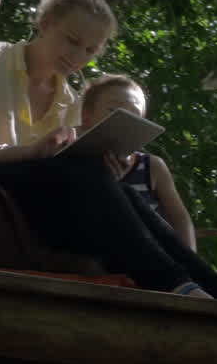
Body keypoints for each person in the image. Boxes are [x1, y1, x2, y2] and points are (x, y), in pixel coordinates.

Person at [0, 0, 217, 300]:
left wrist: (105, 178)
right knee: (81, 169)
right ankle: (175, 285)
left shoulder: (69, 102)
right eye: (72, 41)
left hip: (28, 216)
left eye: (90, 50)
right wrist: (30, 152)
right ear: (45, 22)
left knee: (116, 186)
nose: (78, 56)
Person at [79, 74, 197, 251]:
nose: (124, 120)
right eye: (114, 110)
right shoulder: (70, 163)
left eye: (134, 115)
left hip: (154, 256)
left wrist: (189, 258)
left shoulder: (152, 166)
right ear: (86, 116)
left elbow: (180, 219)